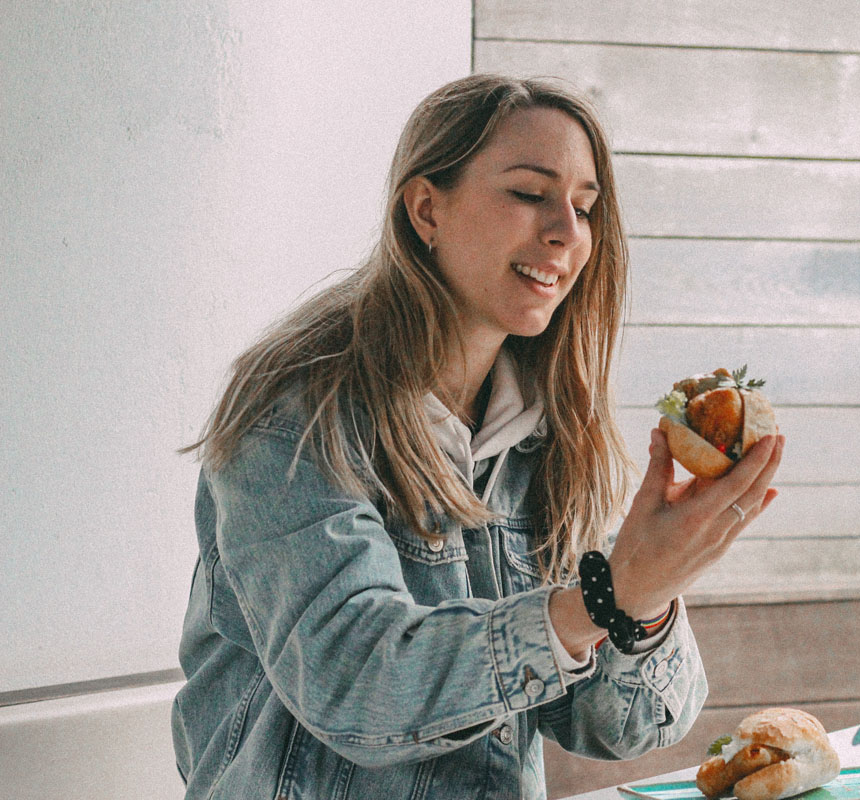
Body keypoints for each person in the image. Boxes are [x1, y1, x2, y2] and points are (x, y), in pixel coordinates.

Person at [171, 73, 784, 800]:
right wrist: (605, 597)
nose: (566, 232)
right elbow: (357, 681)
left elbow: (625, 727)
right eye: (530, 194)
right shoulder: (296, 416)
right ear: (426, 209)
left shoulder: (548, 432)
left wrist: (647, 599)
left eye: (585, 208)